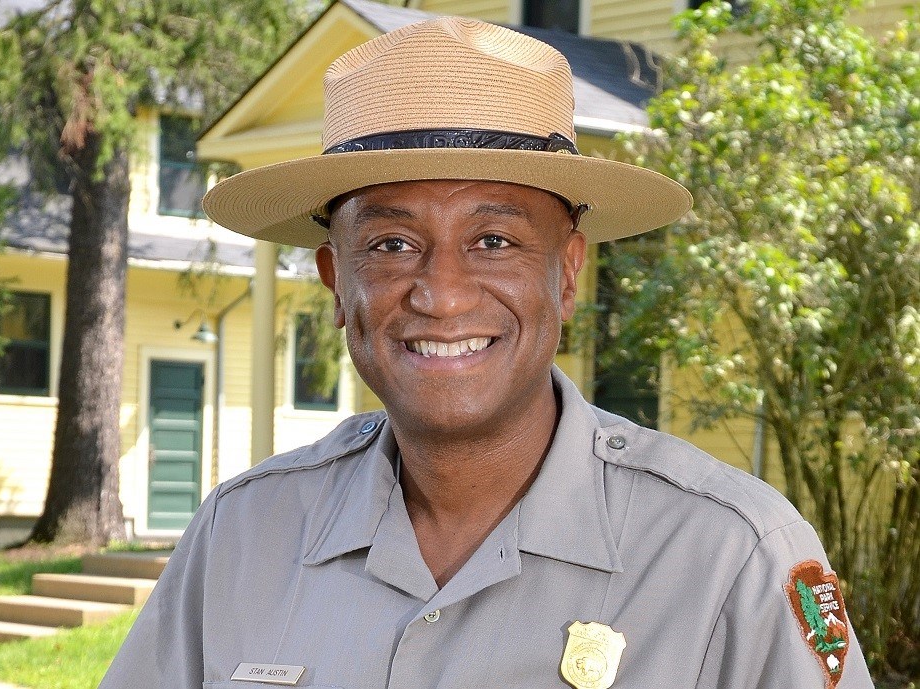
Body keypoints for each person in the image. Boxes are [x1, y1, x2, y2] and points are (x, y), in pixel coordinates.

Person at [99, 17, 873, 689]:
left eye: (493, 240)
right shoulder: (242, 536)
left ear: (565, 273)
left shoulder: (730, 556)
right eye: (391, 243)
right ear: (337, 284)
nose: (440, 293)